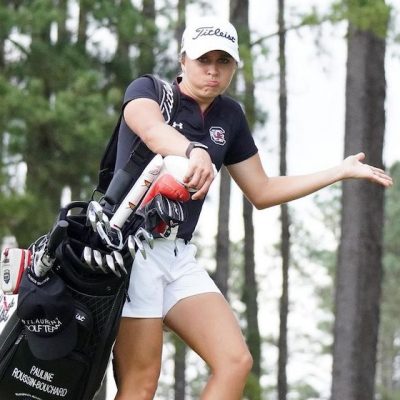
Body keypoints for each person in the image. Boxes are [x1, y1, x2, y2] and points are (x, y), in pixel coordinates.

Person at [112, 17, 393, 400]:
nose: (213, 70)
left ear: (234, 66)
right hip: (132, 249)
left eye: (223, 62)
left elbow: (261, 190)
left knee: (235, 361)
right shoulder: (150, 90)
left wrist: (338, 172)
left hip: (177, 255)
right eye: (203, 59)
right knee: (141, 384)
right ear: (183, 60)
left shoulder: (230, 116)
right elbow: (149, 128)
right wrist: (193, 149)